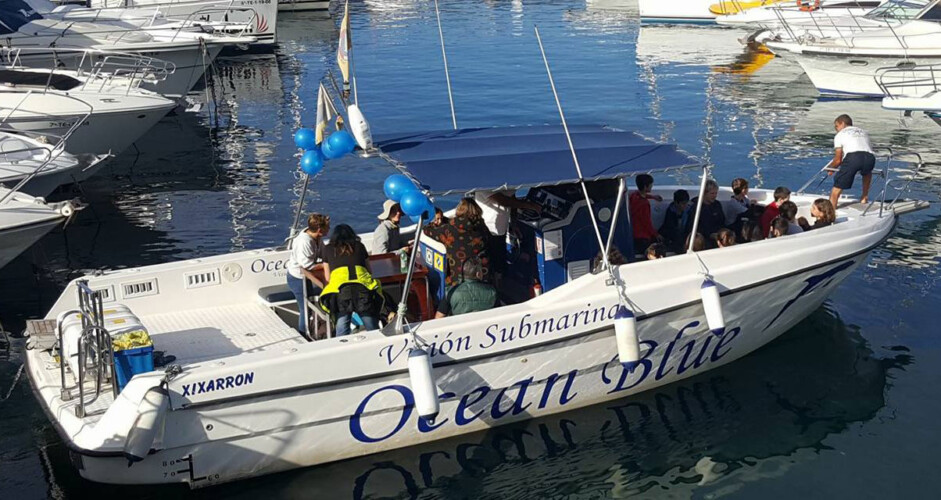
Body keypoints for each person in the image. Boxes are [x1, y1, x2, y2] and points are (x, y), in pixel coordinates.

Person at [320, 224, 383, 336]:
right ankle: (378, 340)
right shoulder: (360, 246)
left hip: (341, 289)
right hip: (362, 288)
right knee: (370, 323)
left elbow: (328, 277)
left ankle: (341, 343)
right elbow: (369, 271)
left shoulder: (328, 249)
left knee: (342, 322)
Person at [423, 197, 492, 287]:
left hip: (457, 279)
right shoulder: (482, 228)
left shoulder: (450, 228)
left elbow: (430, 232)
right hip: (482, 278)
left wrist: (427, 225)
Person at [474, 189, 540, 280]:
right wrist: (530, 205)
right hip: (488, 230)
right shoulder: (485, 186)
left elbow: (512, 200)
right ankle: (494, 281)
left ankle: (500, 279)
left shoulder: (505, 184)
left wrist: (513, 223)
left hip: (501, 229)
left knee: (500, 259)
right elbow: (503, 201)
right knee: (491, 260)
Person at [286, 214, 329, 336]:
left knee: (308, 307)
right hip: (298, 279)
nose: (329, 229)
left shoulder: (317, 238)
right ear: (320, 230)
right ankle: (304, 335)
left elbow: (323, 253)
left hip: (308, 277)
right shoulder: (304, 242)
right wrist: (326, 265)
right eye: (327, 227)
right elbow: (307, 265)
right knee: (305, 310)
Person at [829, 114, 876, 207]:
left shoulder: (840, 134)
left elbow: (838, 159)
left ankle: (831, 210)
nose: (836, 129)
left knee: (836, 189)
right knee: (867, 173)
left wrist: (831, 168)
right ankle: (864, 197)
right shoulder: (863, 132)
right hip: (870, 157)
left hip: (853, 157)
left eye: (836, 126)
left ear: (842, 123)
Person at [629, 174, 664, 254]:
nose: (652, 186)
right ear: (645, 187)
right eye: (651, 185)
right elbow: (647, 223)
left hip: (634, 234)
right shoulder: (644, 205)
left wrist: (653, 197)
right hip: (642, 237)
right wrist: (656, 234)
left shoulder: (634, 196)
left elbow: (641, 195)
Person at [686, 179, 725, 245]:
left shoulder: (717, 204)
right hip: (701, 238)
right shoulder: (695, 206)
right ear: (704, 193)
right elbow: (692, 227)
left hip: (717, 235)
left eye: (716, 193)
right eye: (712, 193)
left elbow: (722, 221)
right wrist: (709, 235)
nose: (714, 196)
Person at [659, 189, 690, 254]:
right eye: (683, 203)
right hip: (673, 237)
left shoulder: (689, 211)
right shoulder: (670, 212)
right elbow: (670, 228)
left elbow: (690, 226)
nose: (685, 205)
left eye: (686, 203)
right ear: (676, 203)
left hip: (685, 235)